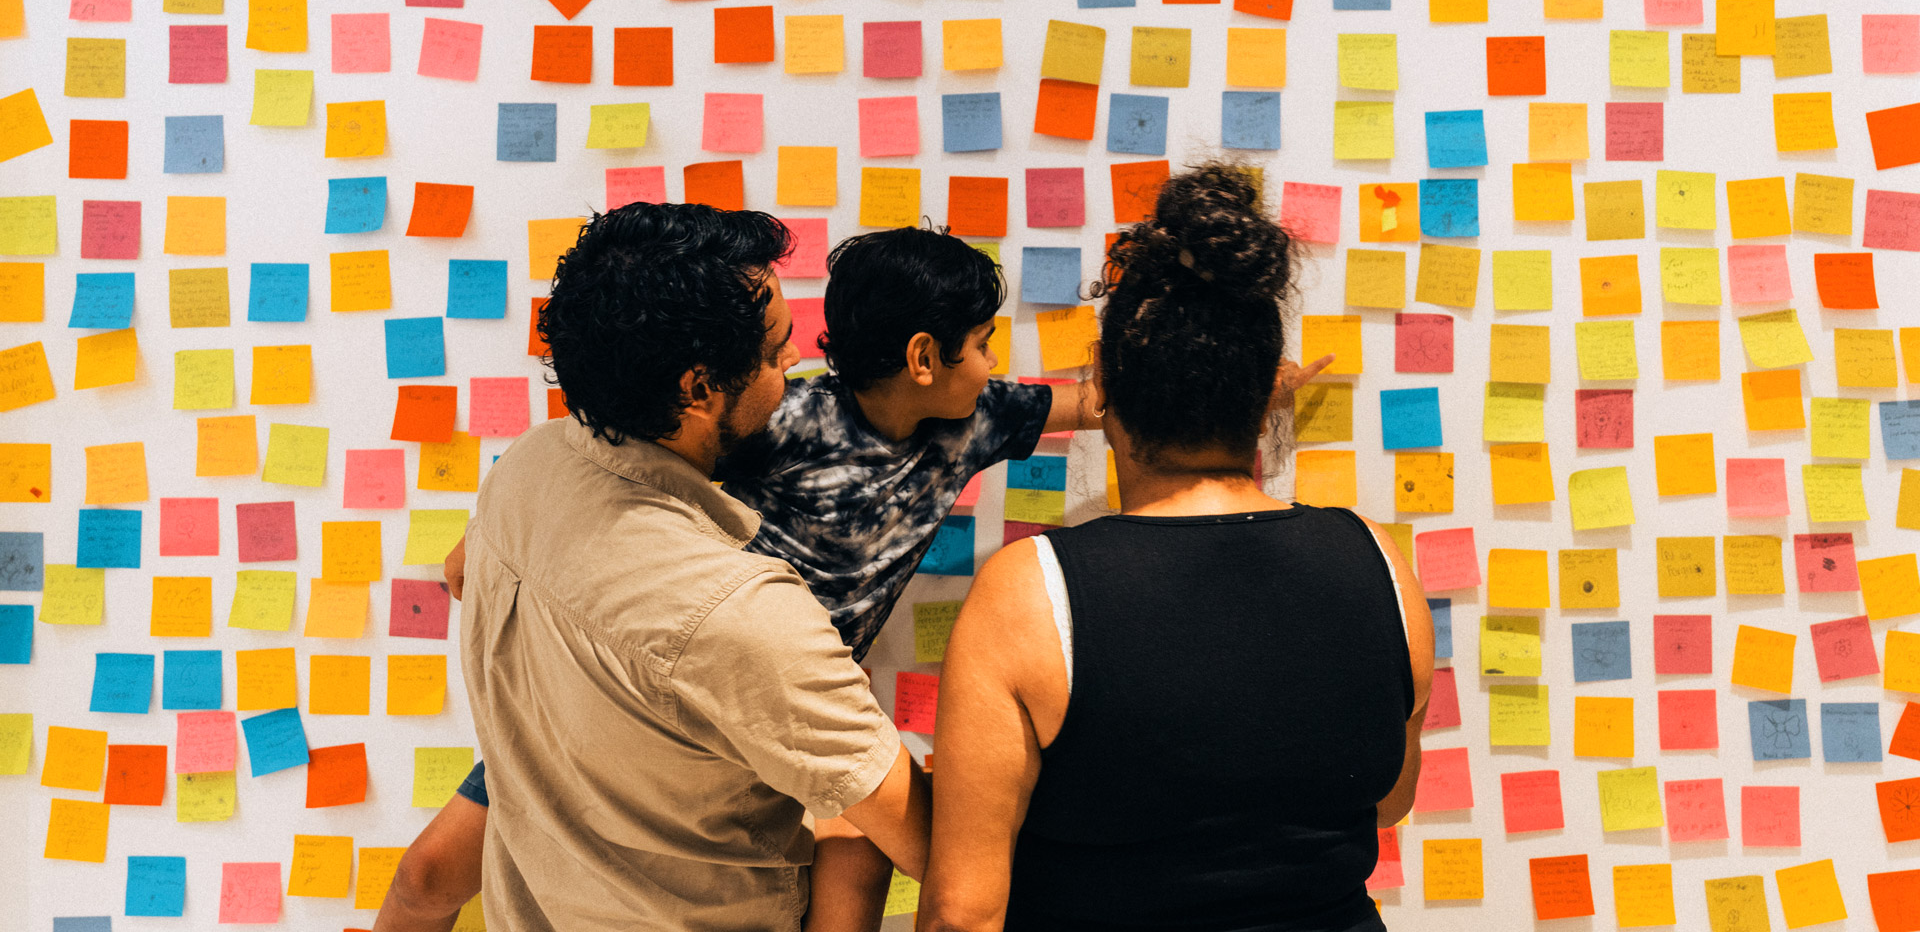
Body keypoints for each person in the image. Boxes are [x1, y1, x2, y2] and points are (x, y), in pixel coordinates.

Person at [378, 218, 1335, 931]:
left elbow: (1095, 403)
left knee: (849, 846)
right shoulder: (776, 440)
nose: (792, 361)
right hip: (715, 676)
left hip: (786, 699)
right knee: (432, 875)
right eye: (772, 350)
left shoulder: (973, 420)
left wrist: (1237, 381)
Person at [920, 163, 1435, 932]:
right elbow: (1389, 799)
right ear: (1268, 392)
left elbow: (964, 913)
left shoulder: (1031, 592)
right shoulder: (1379, 562)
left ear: (1098, 385)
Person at [447, 203, 930, 932]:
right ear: (699, 390)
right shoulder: (739, 610)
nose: (796, 363)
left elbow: (465, 579)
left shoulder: (525, 466)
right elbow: (929, 843)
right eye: (775, 353)